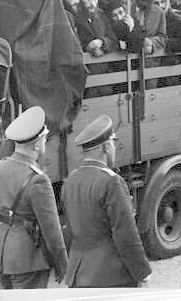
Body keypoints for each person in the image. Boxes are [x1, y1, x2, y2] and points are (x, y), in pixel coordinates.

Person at [61, 115, 152, 288]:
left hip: (78, 274)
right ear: (106, 148)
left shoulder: (70, 180)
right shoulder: (112, 182)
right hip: (109, 276)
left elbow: (71, 230)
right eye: (113, 144)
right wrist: (142, 273)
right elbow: (126, 234)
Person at [0, 106, 68, 289]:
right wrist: (63, 266)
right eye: (45, 139)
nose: (45, 143)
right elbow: (52, 231)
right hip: (28, 260)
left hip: (2, 255)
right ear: (37, 144)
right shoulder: (38, 180)